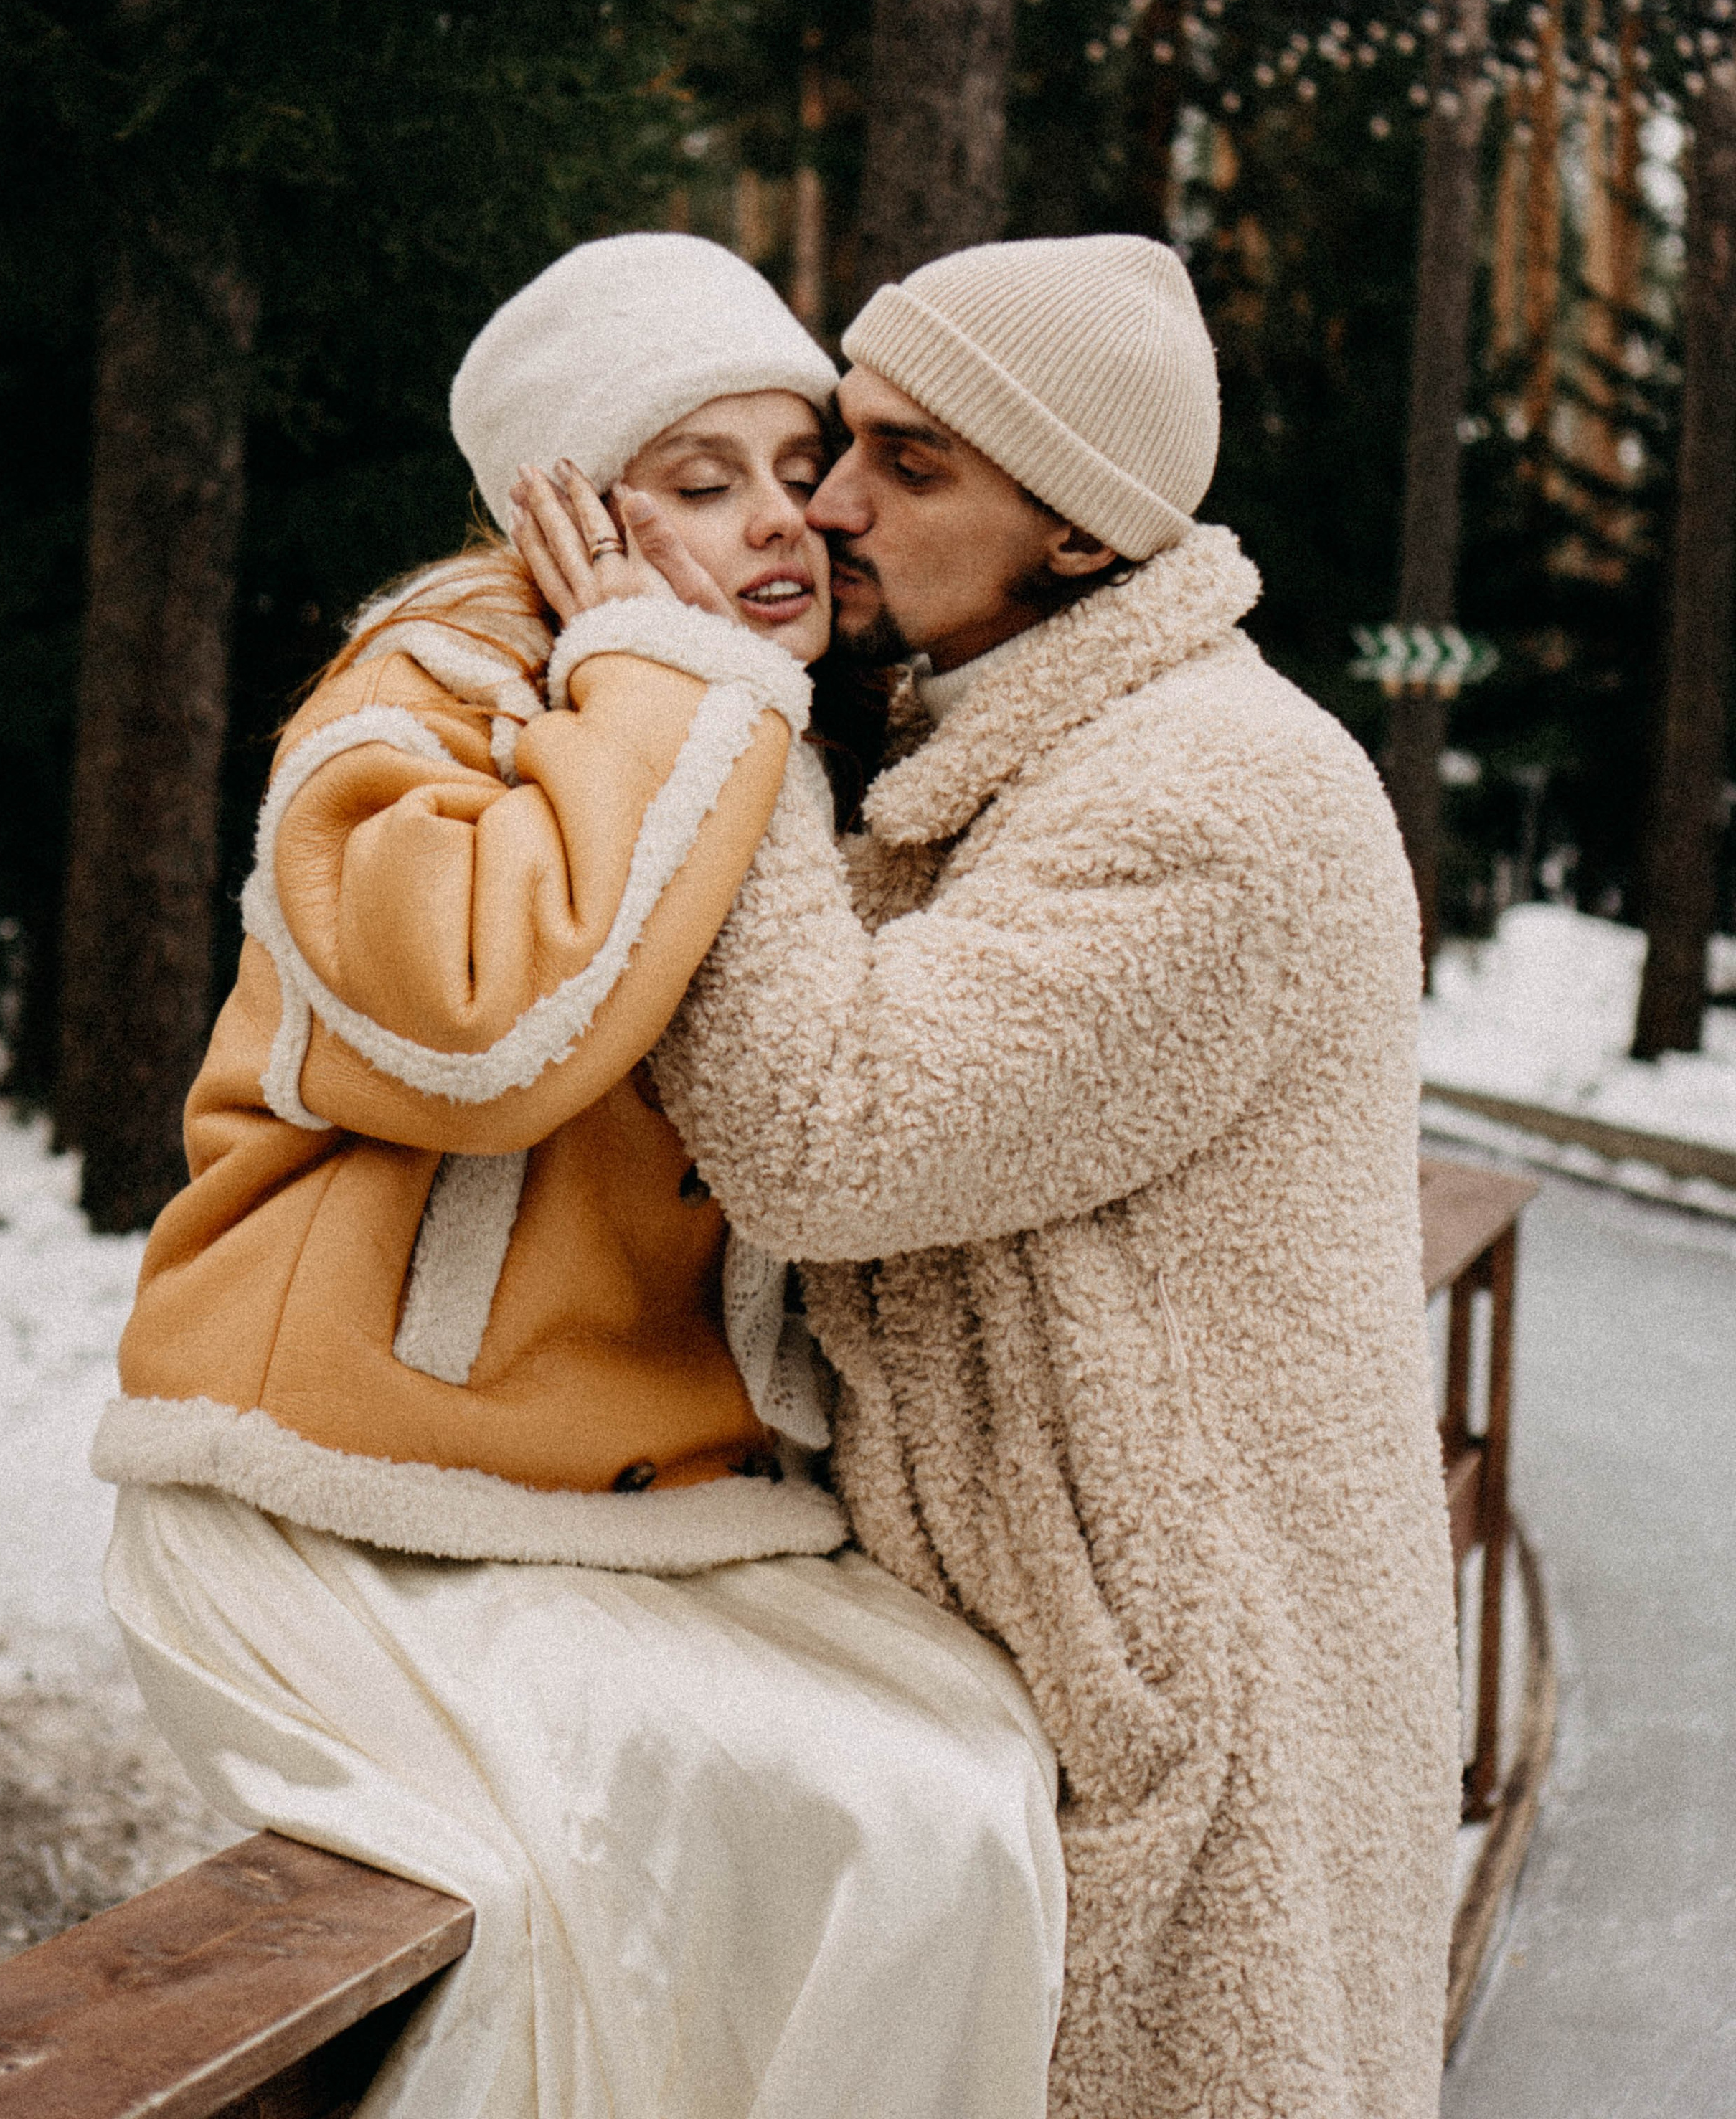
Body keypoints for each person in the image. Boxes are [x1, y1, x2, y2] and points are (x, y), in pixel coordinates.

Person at [93, 233, 1066, 2119]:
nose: (781, 523)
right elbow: (482, 1025)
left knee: (974, 1784)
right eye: (700, 483)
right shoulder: (419, 698)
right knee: (687, 1884)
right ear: (555, 513)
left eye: (797, 470)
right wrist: (665, 677)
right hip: (347, 1499)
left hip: (643, 1516)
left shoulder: (769, 719)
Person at [597, 235, 1461, 2119]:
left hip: (1193, 1702)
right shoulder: (1026, 746)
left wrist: (715, 692)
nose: (825, 505)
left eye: (910, 465)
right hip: (1058, 1662)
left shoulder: (1211, 799)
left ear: (1075, 534)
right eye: (847, 440)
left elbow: (826, 1139)